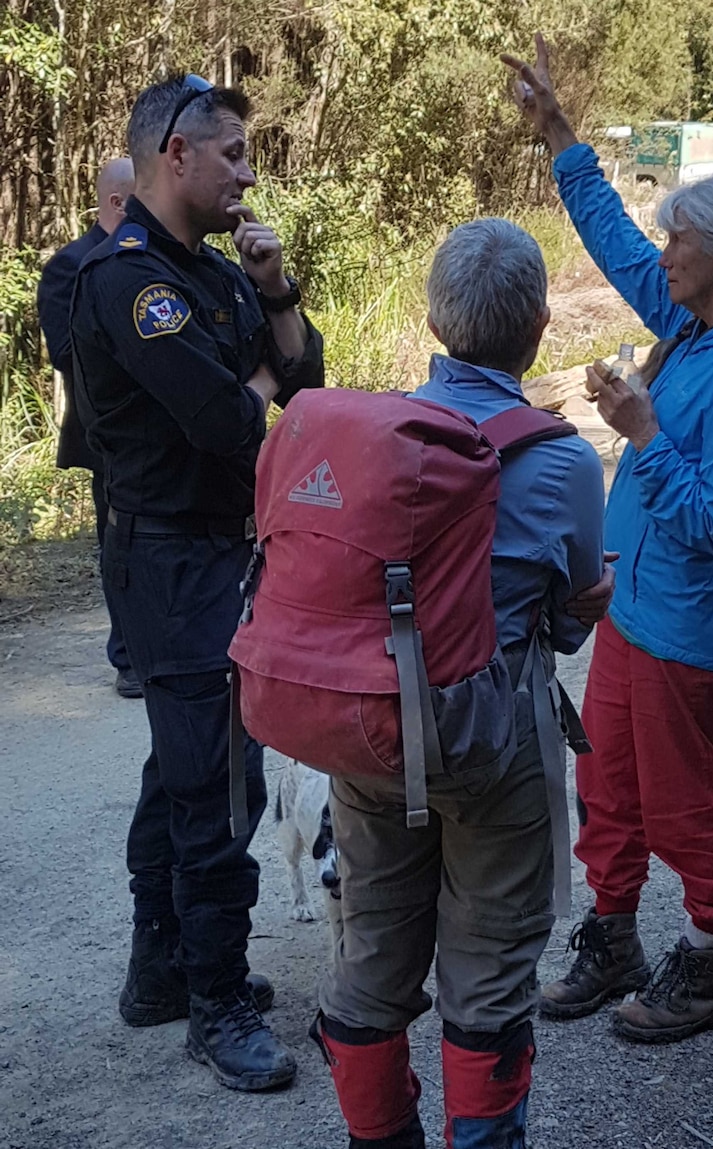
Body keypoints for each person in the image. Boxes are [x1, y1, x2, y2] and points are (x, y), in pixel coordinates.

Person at [503, 36, 713, 1042]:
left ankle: (709, 962)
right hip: (630, 606)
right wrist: (559, 138)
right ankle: (614, 935)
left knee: (687, 802)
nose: (661, 253)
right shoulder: (692, 323)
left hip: (681, 624)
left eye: (679, 241)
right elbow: (615, 245)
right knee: (612, 788)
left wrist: (640, 430)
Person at [310, 217, 606, 1149]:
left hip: (372, 733)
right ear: (540, 327)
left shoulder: (371, 429)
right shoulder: (561, 458)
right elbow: (560, 621)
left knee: (371, 956)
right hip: (494, 742)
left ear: (437, 322)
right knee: (485, 975)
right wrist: (576, 609)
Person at [70, 74, 324, 1090]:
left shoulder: (218, 278)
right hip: (169, 557)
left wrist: (275, 295)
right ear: (175, 153)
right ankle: (215, 998)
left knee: (180, 763)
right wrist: (252, 391)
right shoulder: (126, 282)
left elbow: (300, 381)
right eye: (232, 153)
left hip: (222, 548)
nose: (248, 174)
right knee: (223, 778)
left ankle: (159, 967)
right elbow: (229, 426)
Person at [37, 157, 142, 699]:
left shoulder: (155, 260)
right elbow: (65, 351)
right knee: (118, 544)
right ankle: (127, 658)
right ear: (120, 202)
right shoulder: (69, 266)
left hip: (161, 437)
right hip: (105, 435)